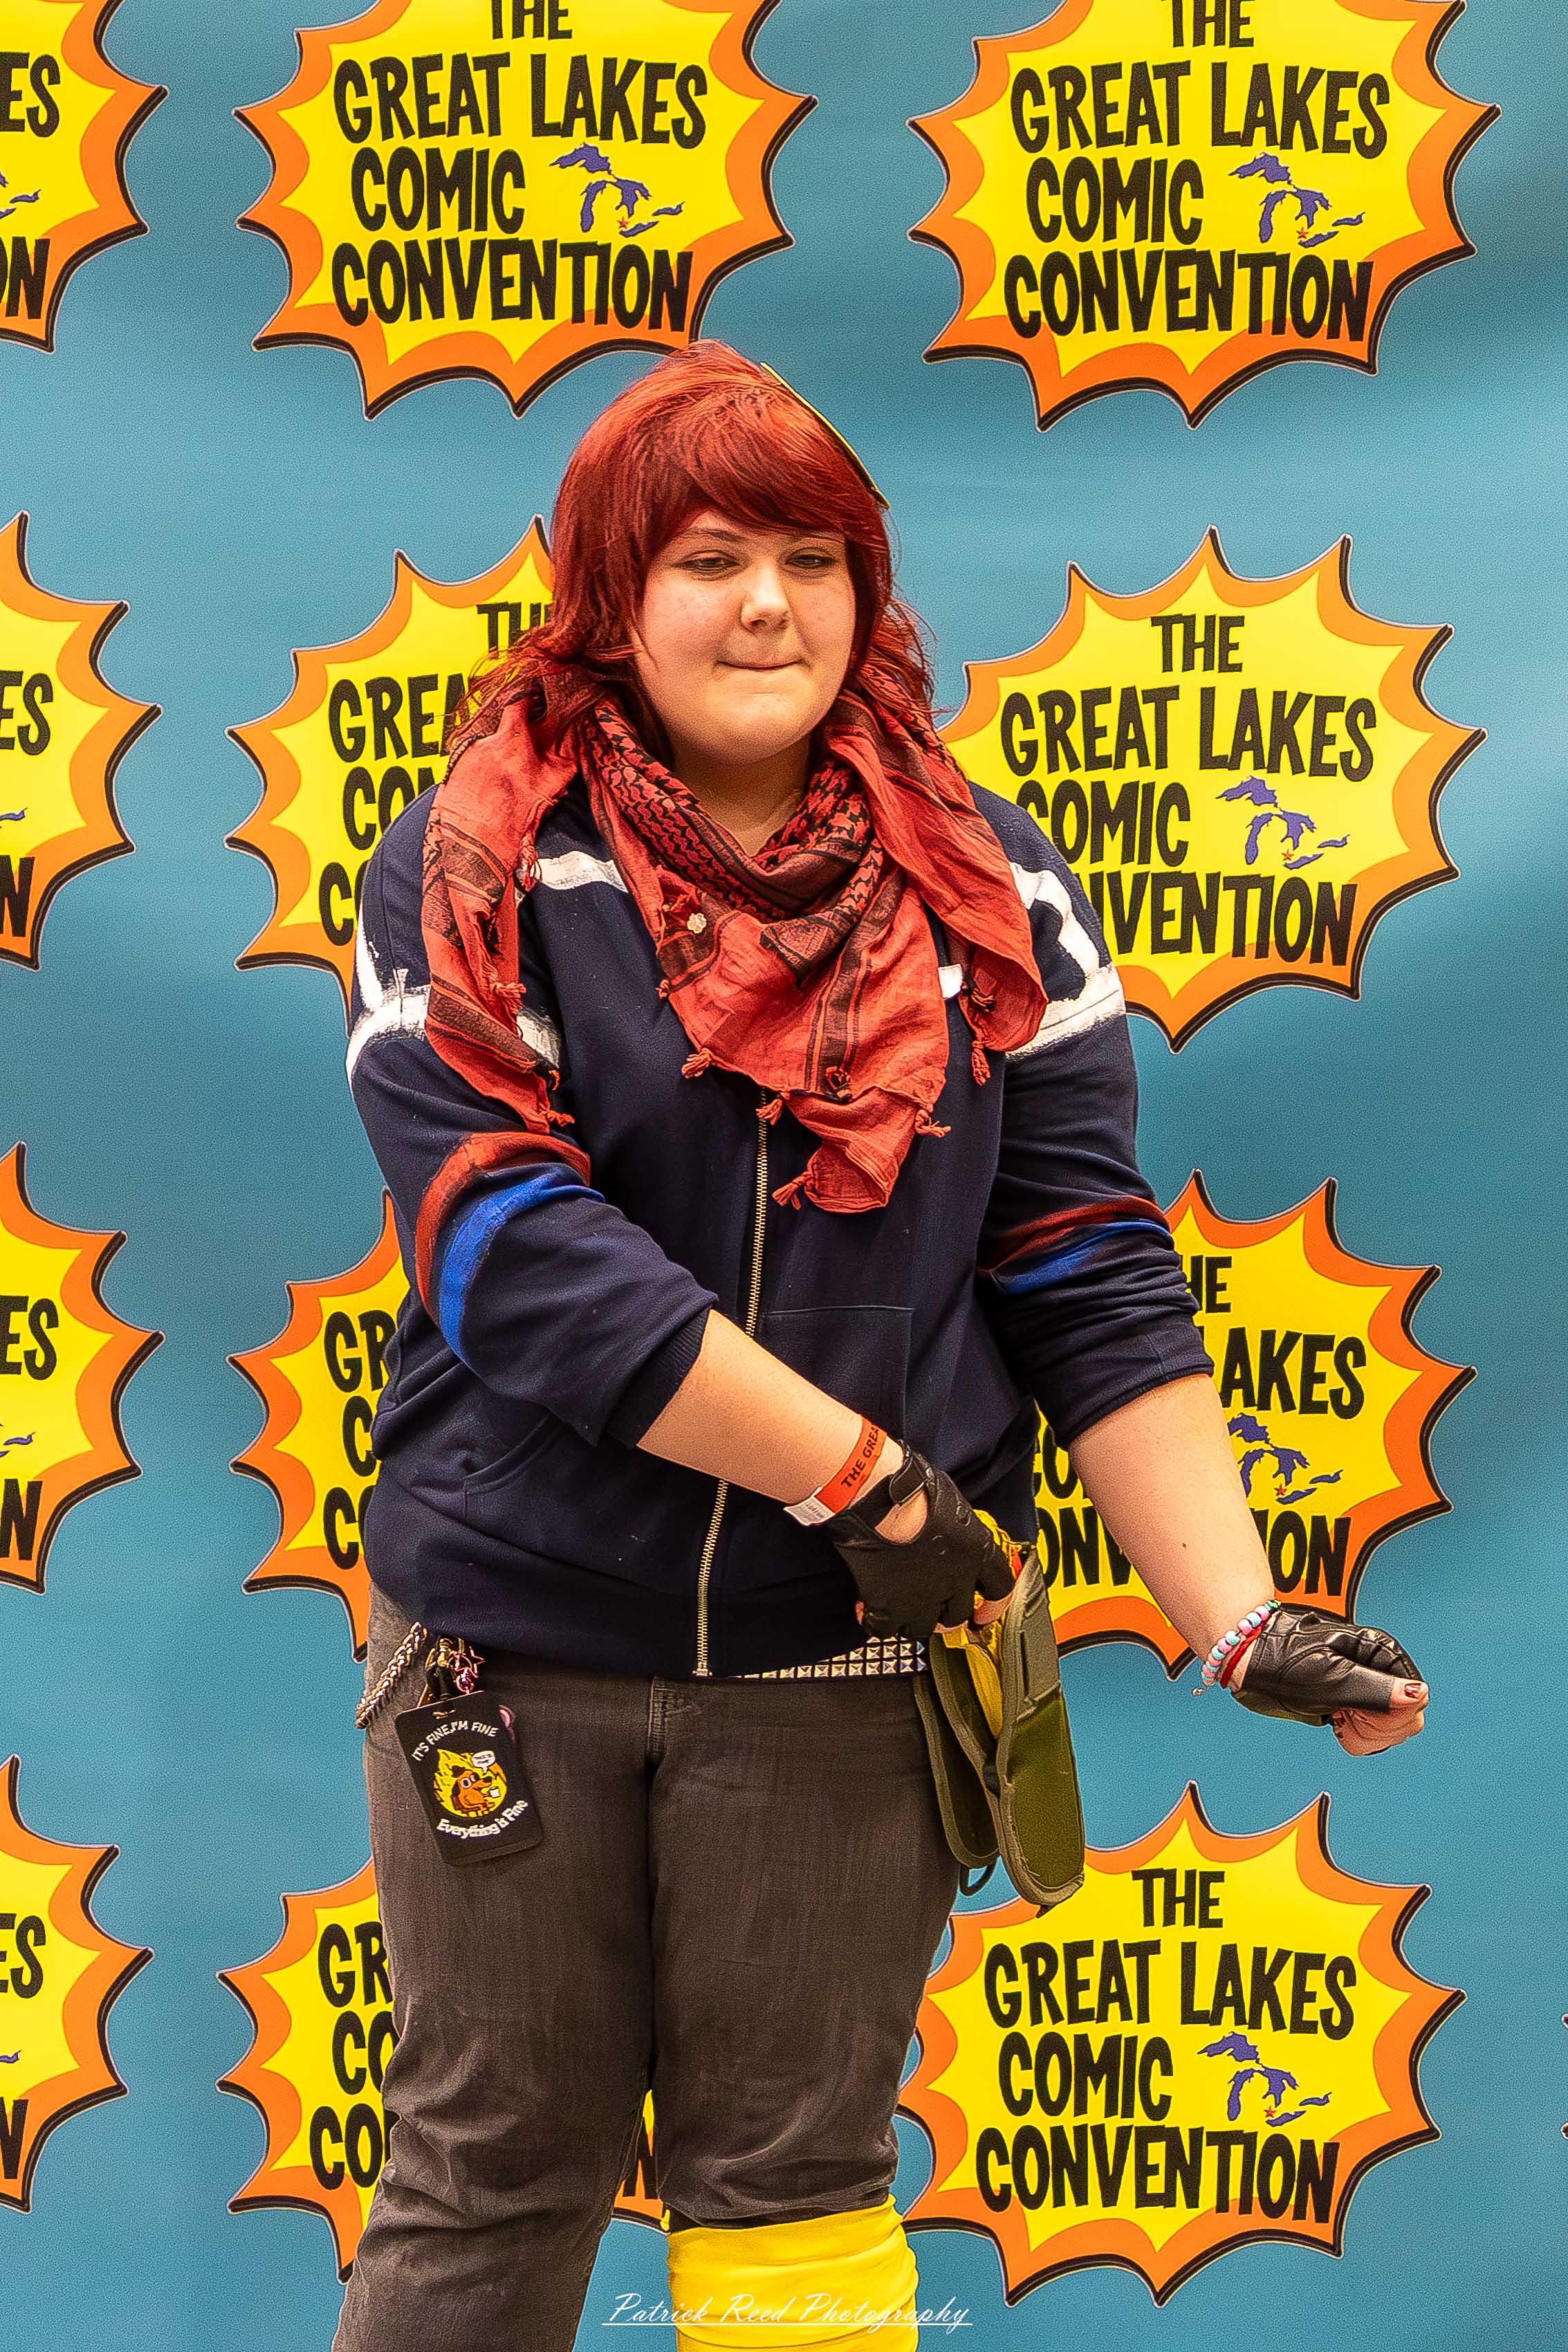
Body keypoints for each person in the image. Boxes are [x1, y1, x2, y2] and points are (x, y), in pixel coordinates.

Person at [334, 344, 1427, 2352]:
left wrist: (1237, 1621)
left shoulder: (994, 890)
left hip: (842, 1661)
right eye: (709, 557)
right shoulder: (476, 875)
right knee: (490, 2174)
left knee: (798, 2190)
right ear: (607, 599)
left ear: (869, 589)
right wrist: (862, 1475)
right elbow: (516, 1259)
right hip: (515, 1641)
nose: (767, 603)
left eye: (813, 557)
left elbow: (1083, 1259)